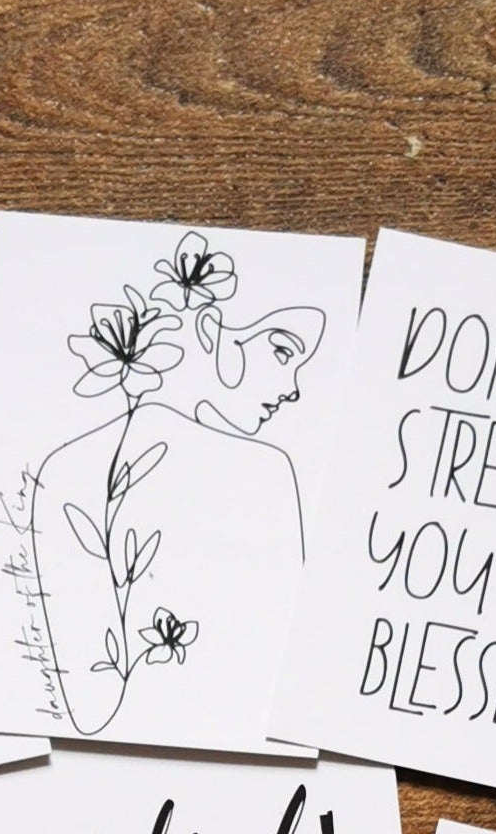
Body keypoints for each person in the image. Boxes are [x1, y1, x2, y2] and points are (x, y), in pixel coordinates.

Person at [31, 302, 325, 738]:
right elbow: (294, 684)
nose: (294, 389)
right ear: (211, 328)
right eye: (282, 352)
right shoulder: (267, 471)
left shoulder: (62, 467)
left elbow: (87, 708)